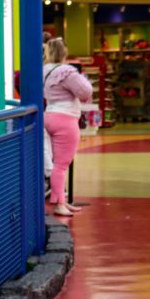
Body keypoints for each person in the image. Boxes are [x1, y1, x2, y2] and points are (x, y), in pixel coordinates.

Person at [43, 38, 92, 217]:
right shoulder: (66, 72)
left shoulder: (45, 70)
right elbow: (85, 91)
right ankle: (59, 205)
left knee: (57, 163)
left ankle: (61, 201)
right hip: (66, 118)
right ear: (64, 53)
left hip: (49, 115)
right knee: (61, 165)